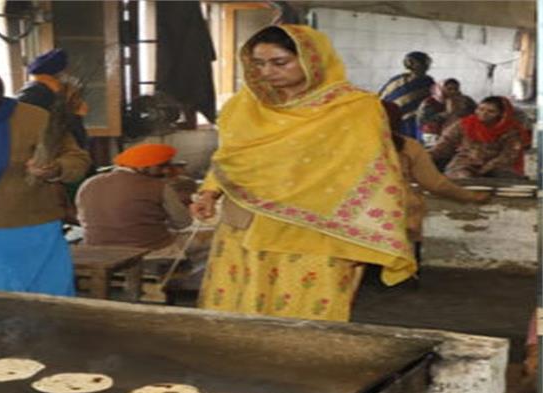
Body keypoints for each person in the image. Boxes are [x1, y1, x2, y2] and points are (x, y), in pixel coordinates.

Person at [190, 25, 415, 322]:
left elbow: (375, 168)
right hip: (246, 223)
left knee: (308, 311)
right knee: (241, 303)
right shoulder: (245, 105)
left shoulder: (355, 107)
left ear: (312, 59)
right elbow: (231, 158)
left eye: (279, 62)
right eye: (259, 63)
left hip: (318, 230)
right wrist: (209, 192)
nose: (267, 72)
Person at [0, 56, 91, 295]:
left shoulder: (32, 118)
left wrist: (55, 168)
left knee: (40, 301)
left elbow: (77, 159)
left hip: (27, 227)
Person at [382, 101, 489, 269]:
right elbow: (435, 183)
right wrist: (470, 196)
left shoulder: (348, 147)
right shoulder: (409, 146)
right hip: (401, 210)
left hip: (356, 216)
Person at [75, 143, 193, 256]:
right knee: (205, 240)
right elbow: (183, 223)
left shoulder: (89, 183)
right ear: (142, 166)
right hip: (149, 252)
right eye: (161, 166)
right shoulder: (158, 186)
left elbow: (83, 218)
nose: (166, 171)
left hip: (97, 251)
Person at [429, 96, 530, 178]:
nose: (483, 114)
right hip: (465, 163)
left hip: (499, 167)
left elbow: (509, 155)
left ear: (501, 114)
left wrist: (485, 169)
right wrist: (426, 156)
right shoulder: (464, 124)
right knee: (461, 178)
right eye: (480, 109)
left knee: (506, 181)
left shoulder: (512, 131)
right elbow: (446, 143)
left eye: (491, 111)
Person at [16, 48, 88, 149]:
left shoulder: (60, 92)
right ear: (58, 74)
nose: (71, 76)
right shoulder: (33, 95)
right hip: (49, 156)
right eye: (67, 71)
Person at [379, 51, 435, 139]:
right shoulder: (397, 79)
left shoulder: (428, 82)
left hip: (415, 120)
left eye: (413, 61)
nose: (410, 64)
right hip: (393, 118)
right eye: (408, 61)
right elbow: (383, 95)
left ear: (424, 64)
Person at [416, 78, 476, 146]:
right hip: (433, 133)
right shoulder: (429, 102)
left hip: (458, 133)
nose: (453, 91)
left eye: (456, 89)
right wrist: (445, 114)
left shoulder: (466, 100)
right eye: (449, 89)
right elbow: (423, 120)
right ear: (441, 89)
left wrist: (461, 113)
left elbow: (476, 113)